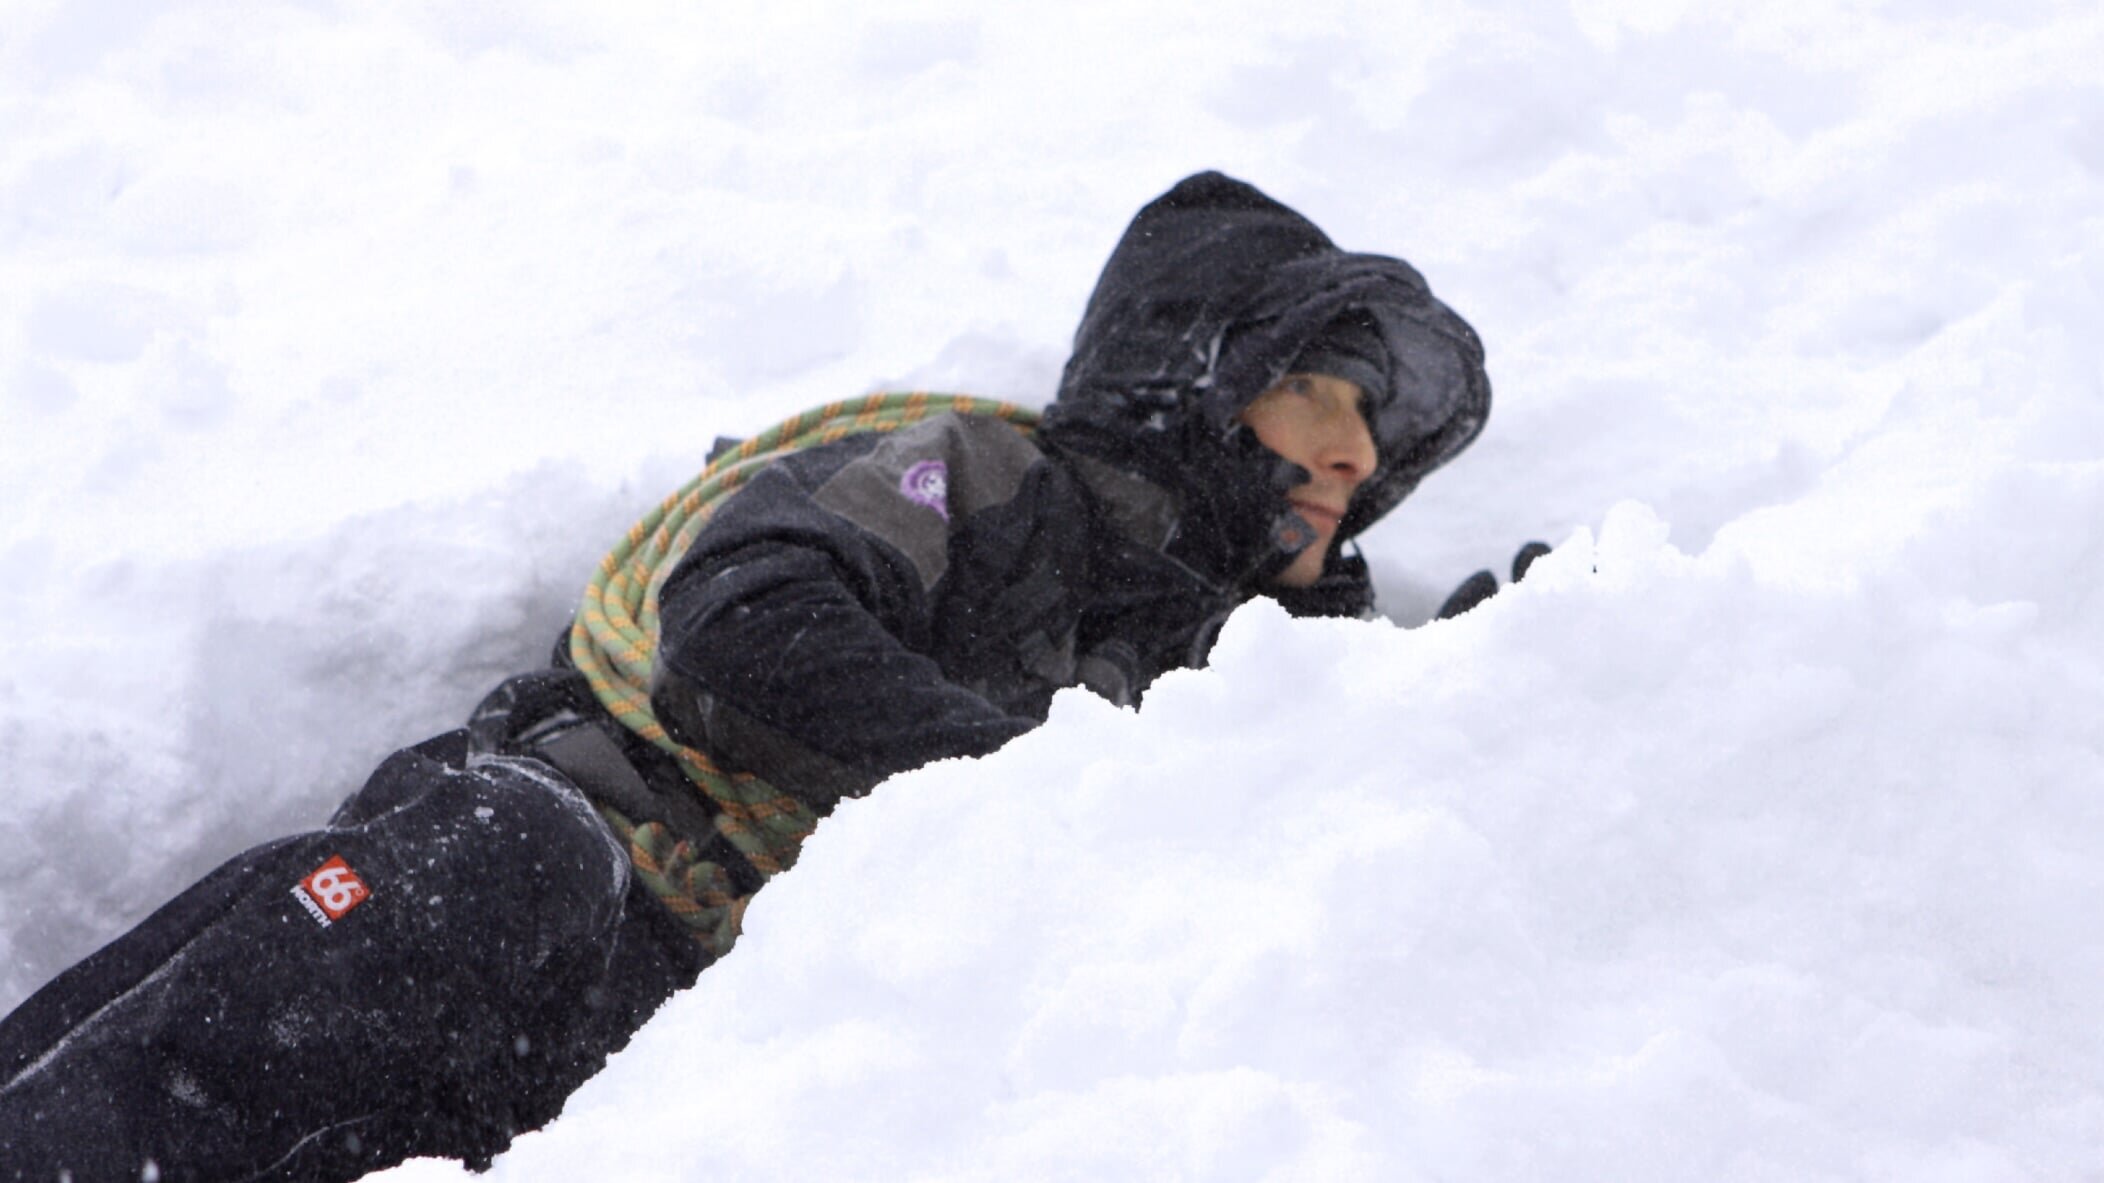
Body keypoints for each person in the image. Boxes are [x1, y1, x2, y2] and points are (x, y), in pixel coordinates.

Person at [0, 171, 1494, 1181]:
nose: (1355, 459)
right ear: (1194, 364)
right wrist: (1037, 781)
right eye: (1320, 392)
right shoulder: (976, 468)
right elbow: (746, 620)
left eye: (1378, 438)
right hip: (565, 846)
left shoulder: (1258, 678)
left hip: (709, 1027)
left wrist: (1523, 669)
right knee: (467, 897)